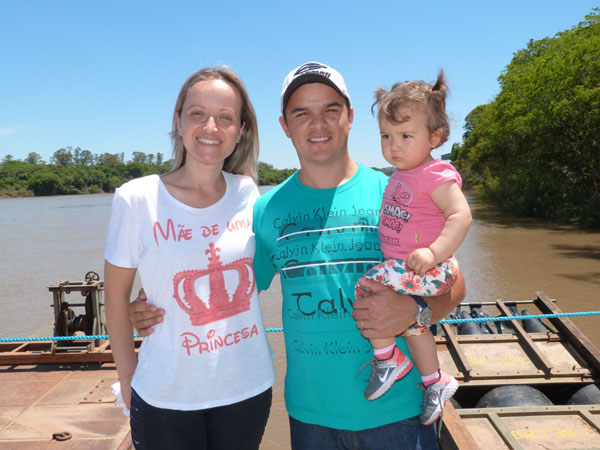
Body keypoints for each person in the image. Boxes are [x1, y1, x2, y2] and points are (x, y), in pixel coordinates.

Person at [129, 62, 466, 450]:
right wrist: (151, 307)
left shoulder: (396, 193)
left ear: (351, 117)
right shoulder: (265, 209)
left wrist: (416, 310)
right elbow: (231, 294)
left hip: (399, 414)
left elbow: (454, 287)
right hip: (311, 418)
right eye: (302, 113)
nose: (317, 123)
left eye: (330, 110)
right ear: (285, 126)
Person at [104, 67, 275, 450]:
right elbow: (115, 298)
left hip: (247, 386)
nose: (210, 126)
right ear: (178, 121)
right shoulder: (137, 198)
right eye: (197, 113)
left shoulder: (250, 194)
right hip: (165, 392)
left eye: (225, 117)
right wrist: (128, 380)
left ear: (241, 129)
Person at [354, 71, 471, 426]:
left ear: (435, 137)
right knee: (416, 326)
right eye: (386, 136)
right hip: (410, 270)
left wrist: (434, 252)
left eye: (406, 135)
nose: (394, 146)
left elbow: (460, 215)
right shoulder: (399, 176)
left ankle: (388, 358)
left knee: (365, 286)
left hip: (428, 268)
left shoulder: (436, 174)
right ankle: (435, 381)